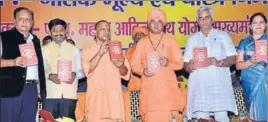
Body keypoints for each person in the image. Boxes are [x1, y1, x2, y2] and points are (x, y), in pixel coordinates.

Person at [130, 8, 186, 122]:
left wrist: (168, 63)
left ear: (164, 24)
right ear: (148, 24)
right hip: (150, 94)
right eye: (152, 21)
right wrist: (143, 71)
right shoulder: (142, 43)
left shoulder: (171, 41)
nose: (156, 24)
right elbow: (134, 65)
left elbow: (180, 64)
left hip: (168, 93)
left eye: (159, 21)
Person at [183, 6, 237, 122]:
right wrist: (189, 67)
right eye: (201, 18)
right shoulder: (192, 39)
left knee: (222, 117)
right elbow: (185, 63)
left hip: (219, 86)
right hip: (199, 87)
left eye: (207, 17)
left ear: (212, 19)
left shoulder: (223, 36)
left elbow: (233, 58)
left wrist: (219, 62)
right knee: (202, 118)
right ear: (197, 21)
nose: (204, 21)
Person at [0, 7, 46, 122]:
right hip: (10, 88)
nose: (25, 22)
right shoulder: (3, 37)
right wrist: (12, 62)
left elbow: (38, 68)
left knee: (29, 119)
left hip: (32, 89)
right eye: (21, 19)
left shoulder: (35, 40)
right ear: (14, 21)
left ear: (32, 22)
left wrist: (40, 89)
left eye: (28, 19)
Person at [81, 20, 130, 122]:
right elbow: (87, 70)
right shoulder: (87, 51)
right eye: (103, 29)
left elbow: (126, 74)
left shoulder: (117, 50)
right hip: (96, 99)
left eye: (108, 30)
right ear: (95, 32)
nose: (106, 32)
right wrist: (100, 53)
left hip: (114, 99)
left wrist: (120, 66)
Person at [42, 18, 84, 119]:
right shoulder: (44, 50)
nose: (58, 33)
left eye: (61, 30)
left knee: (68, 120)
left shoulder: (74, 50)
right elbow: (40, 72)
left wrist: (75, 75)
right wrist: (49, 76)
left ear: (66, 31)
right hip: (50, 94)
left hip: (69, 95)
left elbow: (82, 71)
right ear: (49, 32)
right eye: (54, 30)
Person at [236, 12, 267, 121]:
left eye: (261, 22)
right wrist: (250, 61)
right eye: (255, 23)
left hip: (266, 83)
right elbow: (238, 66)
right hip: (250, 84)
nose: (258, 25)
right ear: (250, 26)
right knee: (255, 116)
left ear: (266, 25)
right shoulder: (244, 43)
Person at [123, 26, 149, 122]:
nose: (139, 36)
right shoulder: (128, 51)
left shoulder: (151, 50)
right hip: (133, 88)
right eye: (136, 34)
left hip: (149, 89)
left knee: (148, 114)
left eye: (142, 34)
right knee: (135, 116)